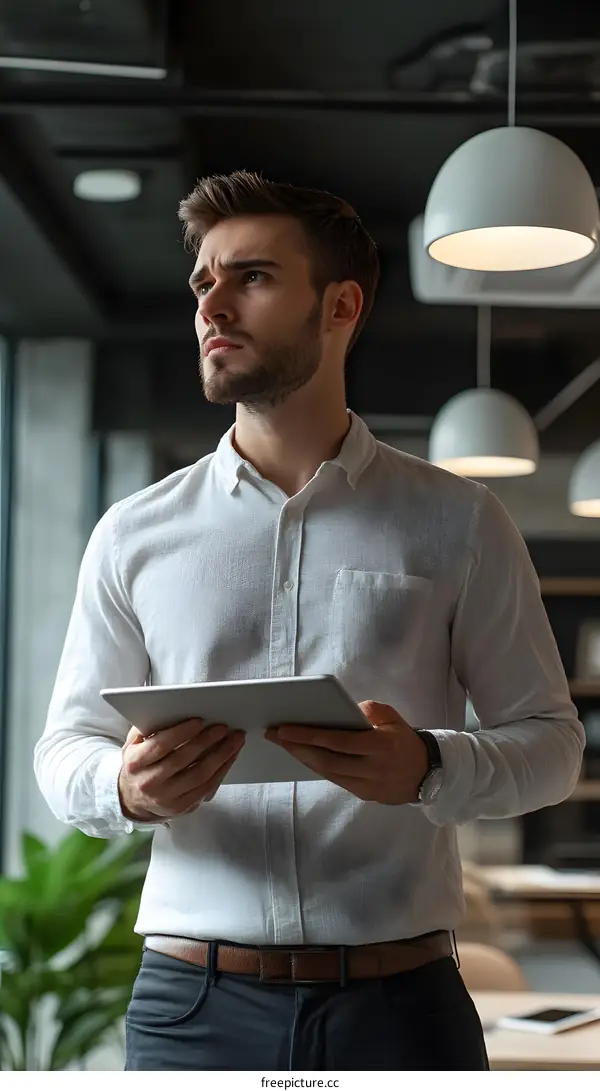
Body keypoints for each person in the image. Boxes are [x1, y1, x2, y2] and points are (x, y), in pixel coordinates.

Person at [35, 171, 585, 1072]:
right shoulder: (133, 533)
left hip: (402, 1005)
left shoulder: (460, 521)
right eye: (203, 282)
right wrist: (127, 785)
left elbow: (553, 745)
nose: (212, 304)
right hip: (190, 1009)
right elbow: (64, 751)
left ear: (341, 306)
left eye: (250, 277)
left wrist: (429, 765)